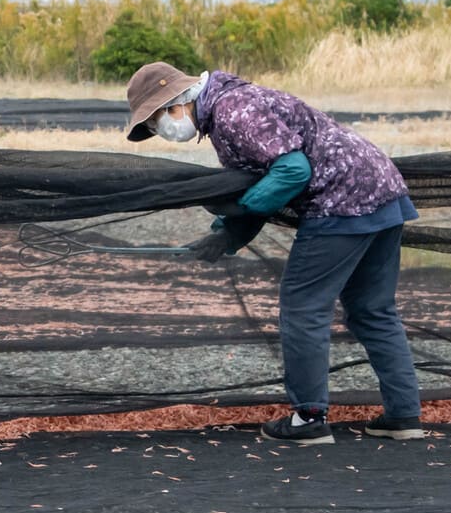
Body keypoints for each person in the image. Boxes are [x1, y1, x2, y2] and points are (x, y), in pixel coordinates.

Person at [124, 61, 425, 446]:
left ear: (175, 102)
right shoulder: (232, 106)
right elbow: (269, 182)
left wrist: (241, 210)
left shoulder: (233, 110)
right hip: (383, 194)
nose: (158, 131)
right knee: (372, 310)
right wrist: (225, 236)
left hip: (340, 203)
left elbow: (292, 172)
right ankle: (403, 416)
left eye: (154, 122)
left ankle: (309, 418)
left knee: (303, 308)